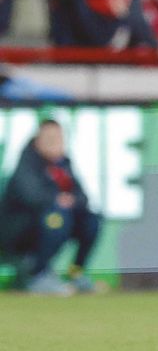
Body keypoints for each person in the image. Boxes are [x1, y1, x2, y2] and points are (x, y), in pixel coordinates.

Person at [0, 119, 101, 295]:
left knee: (92, 220)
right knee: (56, 218)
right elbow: (31, 196)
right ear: (38, 139)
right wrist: (57, 200)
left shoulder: (63, 164)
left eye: (58, 137)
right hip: (21, 230)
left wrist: (71, 200)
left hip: (58, 222)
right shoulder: (27, 162)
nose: (54, 142)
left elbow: (82, 197)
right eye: (49, 137)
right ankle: (38, 274)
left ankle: (75, 273)